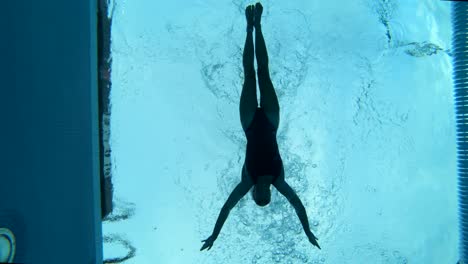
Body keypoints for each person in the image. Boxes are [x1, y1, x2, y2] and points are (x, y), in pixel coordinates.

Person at [200, 2, 320, 251]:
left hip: (250, 124)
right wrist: (307, 230)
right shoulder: (279, 180)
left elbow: (227, 206)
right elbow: (297, 205)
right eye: (267, 196)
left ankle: (248, 29)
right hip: (271, 122)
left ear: (254, 193)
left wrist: (214, 235)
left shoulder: (248, 181)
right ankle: (259, 25)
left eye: (259, 195)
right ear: (270, 194)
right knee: (264, 73)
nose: (263, 192)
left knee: (249, 74)